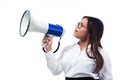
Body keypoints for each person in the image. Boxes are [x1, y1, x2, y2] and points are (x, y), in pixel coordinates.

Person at [42, 16, 113, 80]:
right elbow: (55, 70)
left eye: (81, 25)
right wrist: (48, 49)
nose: (77, 27)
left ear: (91, 31)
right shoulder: (68, 49)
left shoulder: (101, 53)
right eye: (78, 23)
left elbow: (107, 78)